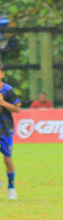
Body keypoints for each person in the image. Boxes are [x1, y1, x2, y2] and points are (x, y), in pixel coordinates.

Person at [0, 63, 21, 200]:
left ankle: (11, 186)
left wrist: (3, 103)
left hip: (5, 129)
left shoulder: (8, 90)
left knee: (7, 159)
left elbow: (17, 109)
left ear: (2, 74)